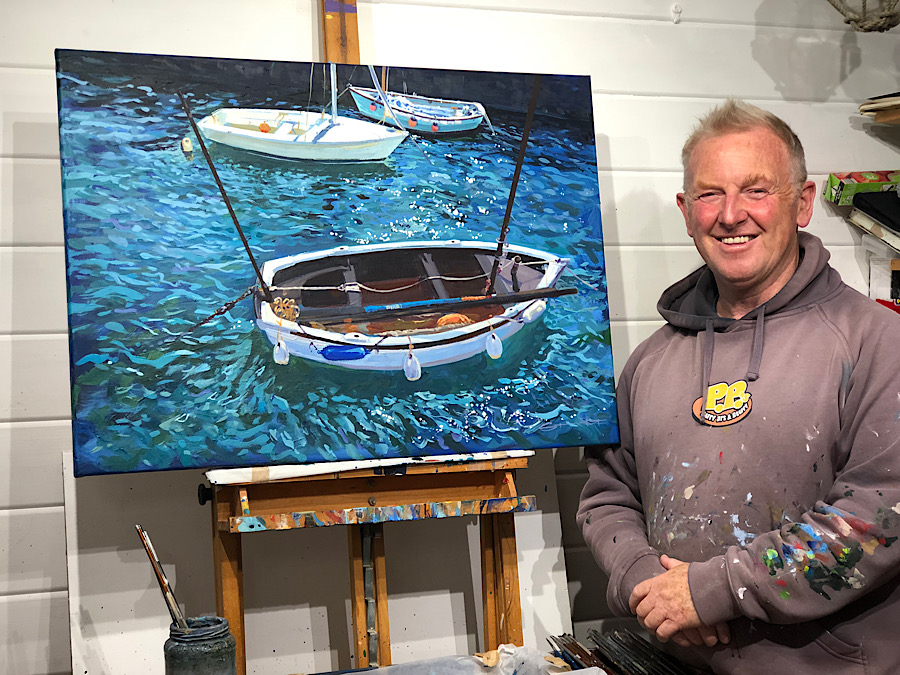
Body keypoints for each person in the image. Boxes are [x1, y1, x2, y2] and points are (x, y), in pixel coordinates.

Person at [577, 99, 900, 672]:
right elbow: (607, 495)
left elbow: (880, 518)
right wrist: (643, 578)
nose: (731, 215)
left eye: (757, 190)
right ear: (685, 209)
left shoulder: (876, 342)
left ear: (802, 203)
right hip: (671, 661)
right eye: (709, 194)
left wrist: (711, 590)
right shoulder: (650, 361)